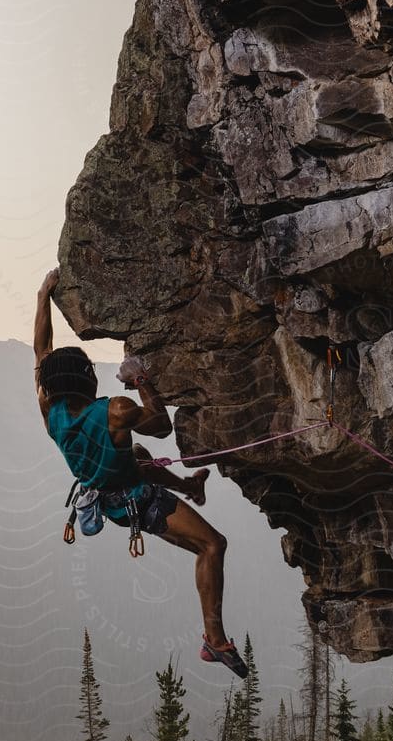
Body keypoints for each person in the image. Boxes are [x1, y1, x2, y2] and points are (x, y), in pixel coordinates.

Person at [33, 267, 245, 678]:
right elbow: (162, 424)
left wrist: (44, 296)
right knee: (213, 545)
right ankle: (214, 641)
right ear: (87, 379)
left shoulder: (50, 412)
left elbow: (42, 355)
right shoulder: (114, 410)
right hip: (139, 503)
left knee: (139, 453)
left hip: (104, 496)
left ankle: (189, 486)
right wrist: (139, 377)